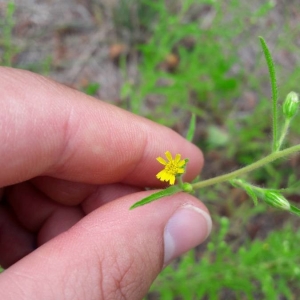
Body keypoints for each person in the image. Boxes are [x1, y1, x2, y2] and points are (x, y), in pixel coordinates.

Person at [0, 67, 212, 299]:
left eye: (173, 168)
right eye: (172, 168)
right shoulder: (169, 171)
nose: (171, 168)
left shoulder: (173, 170)